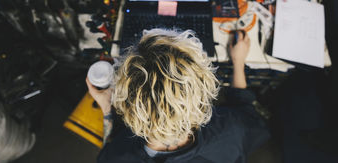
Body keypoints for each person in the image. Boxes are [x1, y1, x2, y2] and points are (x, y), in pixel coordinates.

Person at [86, 28, 270, 163]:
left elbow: (109, 149)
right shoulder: (231, 131)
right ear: (203, 96)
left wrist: (108, 109)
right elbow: (245, 106)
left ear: (126, 108)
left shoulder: (115, 157)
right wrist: (238, 62)